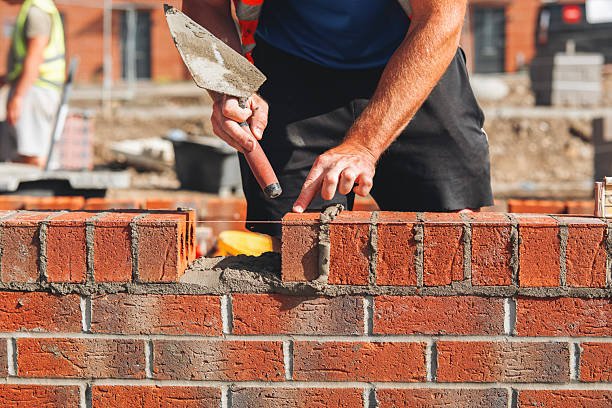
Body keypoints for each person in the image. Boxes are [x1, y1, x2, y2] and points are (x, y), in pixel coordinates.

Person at [183, 0, 493, 236]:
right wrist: (229, 87)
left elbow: (439, 19)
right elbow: (205, 5)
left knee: (452, 234)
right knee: (297, 244)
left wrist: (364, 145)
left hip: (413, 59)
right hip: (291, 63)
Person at [0, 0, 65, 167]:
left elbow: (35, 56)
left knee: (34, 157)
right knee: (28, 154)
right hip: (34, 87)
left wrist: (18, 96)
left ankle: (41, 192)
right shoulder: (34, 9)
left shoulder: (37, 12)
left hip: (36, 90)